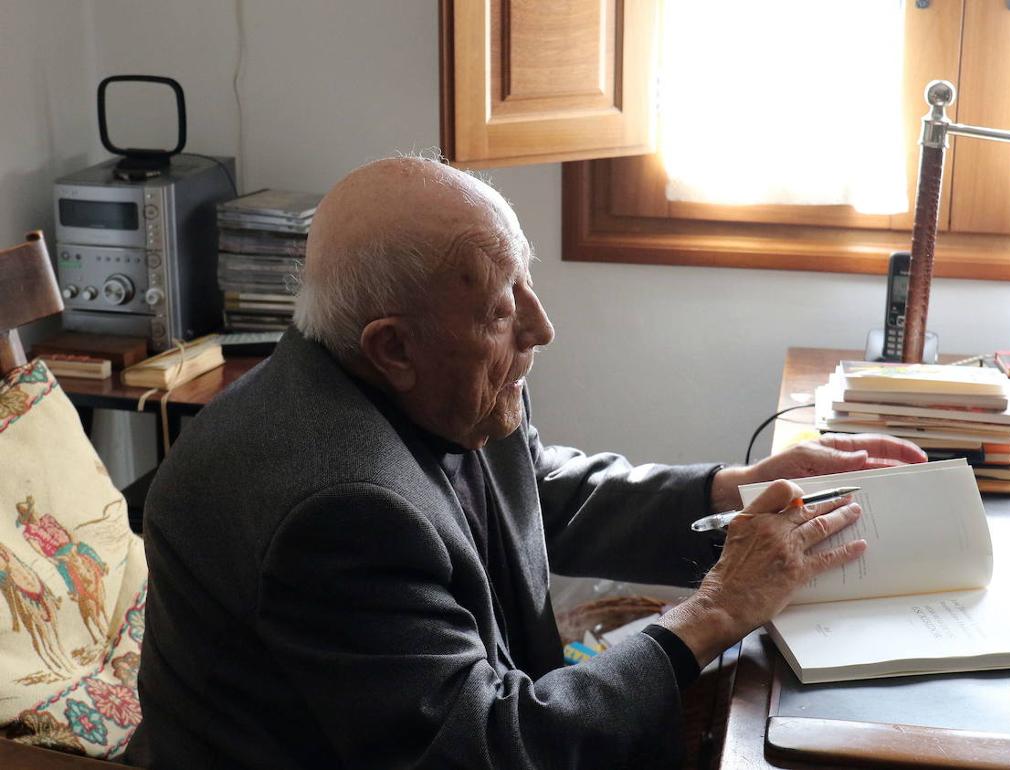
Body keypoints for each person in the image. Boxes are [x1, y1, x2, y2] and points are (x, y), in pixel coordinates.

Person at [125, 157, 926, 769]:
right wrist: (714, 610)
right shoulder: (334, 512)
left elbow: (537, 492)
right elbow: (489, 746)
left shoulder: (430, 383)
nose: (541, 328)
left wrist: (730, 489)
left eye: (525, 283)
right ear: (392, 345)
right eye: (503, 310)